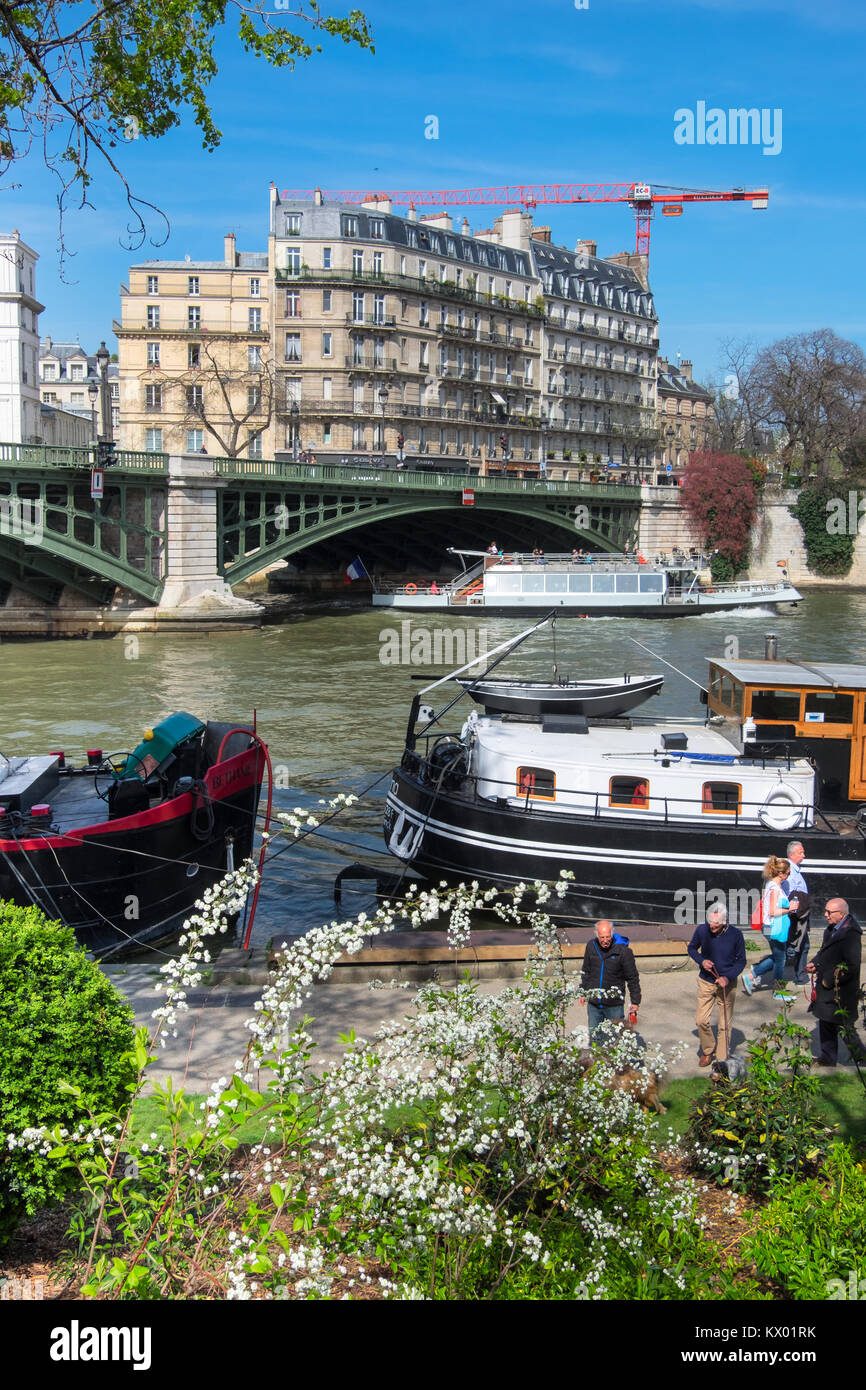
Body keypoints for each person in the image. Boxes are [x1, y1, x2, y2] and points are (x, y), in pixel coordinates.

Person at [807, 898, 865, 1067]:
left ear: (841, 914)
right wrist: (815, 963)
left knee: (844, 1026)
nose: (825, 915)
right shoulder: (832, 929)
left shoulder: (850, 934)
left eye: (829, 912)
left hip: (841, 990)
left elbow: (852, 965)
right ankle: (827, 1058)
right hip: (828, 989)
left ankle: (861, 1058)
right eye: (825, 911)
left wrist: (828, 981)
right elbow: (825, 952)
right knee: (825, 1021)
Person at [687, 903, 746, 1065]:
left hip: (727, 984)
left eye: (716, 923)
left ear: (725, 921)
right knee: (701, 1020)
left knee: (724, 1024)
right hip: (706, 981)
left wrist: (728, 977)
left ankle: (721, 1060)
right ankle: (708, 1049)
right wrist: (701, 960)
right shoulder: (702, 929)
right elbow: (691, 948)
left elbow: (741, 961)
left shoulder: (736, 935)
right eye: (710, 922)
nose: (712, 926)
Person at [743, 856, 798, 1002]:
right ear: (781, 874)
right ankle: (777, 991)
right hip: (774, 927)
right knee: (781, 959)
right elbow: (773, 911)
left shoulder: (771, 885)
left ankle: (752, 975)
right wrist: (790, 908)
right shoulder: (774, 888)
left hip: (771, 927)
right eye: (787, 873)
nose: (788, 876)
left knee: (778, 956)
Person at [579, 919, 641, 1043]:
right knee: (595, 1039)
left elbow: (632, 978)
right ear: (597, 935)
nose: (605, 940)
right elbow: (586, 970)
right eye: (602, 937)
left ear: (612, 934)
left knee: (614, 1040)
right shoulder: (591, 946)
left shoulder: (623, 952)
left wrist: (635, 1001)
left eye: (608, 937)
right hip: (594, 1004)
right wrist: (583, 991)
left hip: (614, 1005)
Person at [783, 841, 811, 984]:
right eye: (801, 853)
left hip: (798, 915)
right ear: (792, 854)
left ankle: (801, 976)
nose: (804, 856)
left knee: (801, 946)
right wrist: (796, 915)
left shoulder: (795, 869)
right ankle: (756, 972)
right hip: (796, 916)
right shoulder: (790, 871)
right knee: (790, 949)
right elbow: (792, 894)